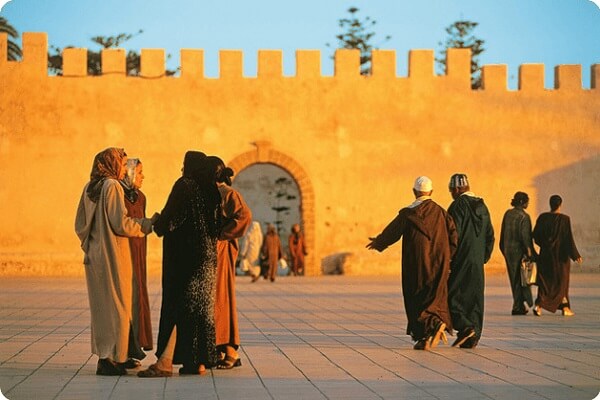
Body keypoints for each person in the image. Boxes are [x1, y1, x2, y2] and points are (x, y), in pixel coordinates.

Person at [138, 151, 221, 377]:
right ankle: (197, 362)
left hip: (185, 261)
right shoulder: (211, 190)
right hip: (208, 262)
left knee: (179, 309)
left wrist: (157, 223)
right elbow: (219, 226)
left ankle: (165, 362)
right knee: (200, 312)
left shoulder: (185, 186)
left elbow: (170, 220)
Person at [75, 147, 154, 376]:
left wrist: (91, 243)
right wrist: (146, 225)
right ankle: (113, 359)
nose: (124, 168)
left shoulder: (90, 187)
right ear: (111, 164)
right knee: (119, 307)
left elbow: (79, 224)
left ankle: (107, 355)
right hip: (114, 255)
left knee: (103, 308)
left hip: (95, 256)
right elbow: (120, 223)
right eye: (122, 163)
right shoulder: (111, 186)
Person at [367, 176, 457, 350]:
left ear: (414, 192)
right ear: (431, 192)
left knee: (416, 293)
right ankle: (435, 322)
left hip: (416, 262)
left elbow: (392, 232)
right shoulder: (441, 213)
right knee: (436, 293)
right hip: (439, 261)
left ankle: (425, 334)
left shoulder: (408, 213)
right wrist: (448, 257)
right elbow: (453, 236)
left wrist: (379, 242)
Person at [206, 156, 252, 370]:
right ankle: (219, 348)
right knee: (213, 301)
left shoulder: (228, 194)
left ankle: (230, 351)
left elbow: (244, 217)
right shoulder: (214, 194)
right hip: (213, 253)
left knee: (221, 299)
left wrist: (221, 235)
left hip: (222, 253)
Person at [447, 173, 495, 349]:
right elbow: (490, 235)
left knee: (452, 294)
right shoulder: (483, 206)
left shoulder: (457, 206)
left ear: (458, 189)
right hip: (477, 261)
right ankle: (473, 336)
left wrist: (448, 258)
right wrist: (483, 257)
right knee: (475, 297)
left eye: (452, 190)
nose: (451, 193)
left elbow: (453, 234)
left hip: (461, 259)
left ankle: (465, 327)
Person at [120, 158, 153, 359]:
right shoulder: (117, 195)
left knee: (137, 295)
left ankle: (136, 344)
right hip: (124, 252)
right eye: (139, 172)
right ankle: (124, 346)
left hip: (138, 250)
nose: (142, 177)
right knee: (125, 297)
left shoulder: (140, 197)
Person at [532, 195, 583, 316]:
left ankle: (538, 305)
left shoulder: (542, 218)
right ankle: (565, 308)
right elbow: (568, 239)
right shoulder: (565, 219)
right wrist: (575, 255)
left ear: (550, 204)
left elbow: (536, 236)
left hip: (545, 255)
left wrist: (544, 245)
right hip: (561, 258)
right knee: (562, 282)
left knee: (545, 282)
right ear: (560, 205)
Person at [499, 191, 537, 315]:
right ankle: (518, 305)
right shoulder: (524, 217)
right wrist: (530, 254)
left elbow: (503, 233)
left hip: (508, 250)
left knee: (514, 278)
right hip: (519, 252)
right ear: (522, 202)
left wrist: (503, 249)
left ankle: (518, 304)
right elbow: (526, 238)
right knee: (522, 279)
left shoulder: (508, 214)